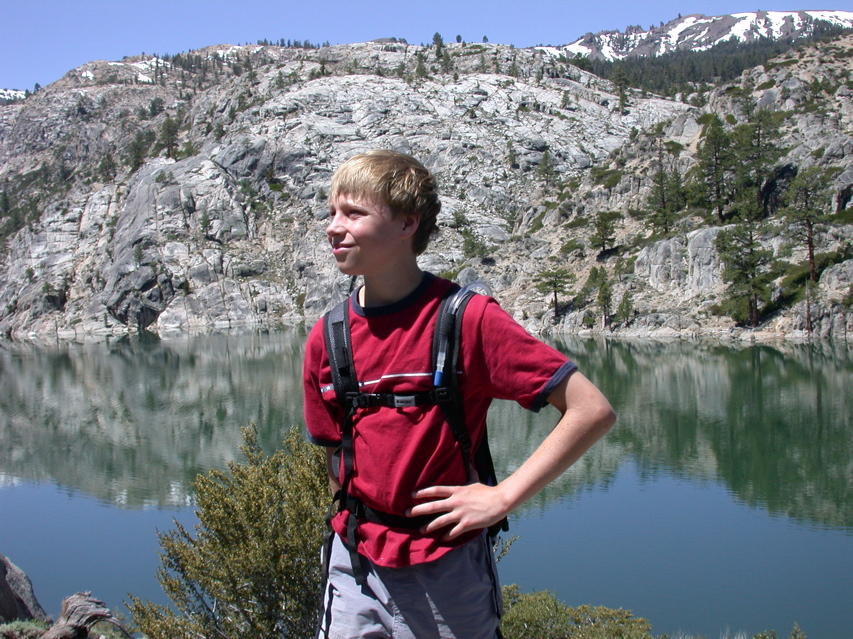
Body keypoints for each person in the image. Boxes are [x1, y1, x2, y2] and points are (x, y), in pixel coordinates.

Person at [303, 149, 615, 639]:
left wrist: (503, 498)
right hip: (355, 566)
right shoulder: (329, 335)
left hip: (446, 567)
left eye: (354, 213)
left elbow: (591, 410)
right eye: (331, 213)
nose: (333, 227)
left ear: (408, 223)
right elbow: (334, 456)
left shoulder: (466, 320)